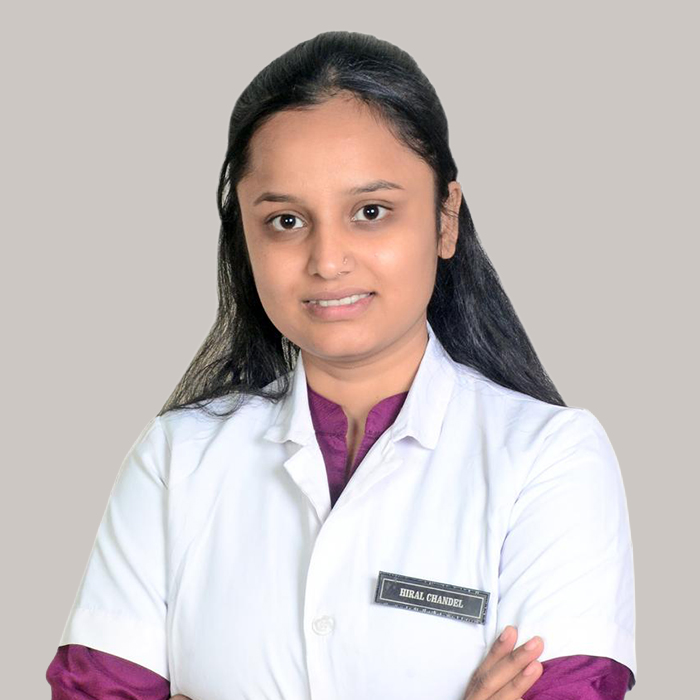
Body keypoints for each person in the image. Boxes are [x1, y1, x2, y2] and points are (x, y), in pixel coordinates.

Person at [46, 31, 636, 700]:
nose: (327, 260)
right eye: (285, 221)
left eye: (371, 212)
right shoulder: (174, 458)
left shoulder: (550, 460)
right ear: (245, 237)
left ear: (445, 219)